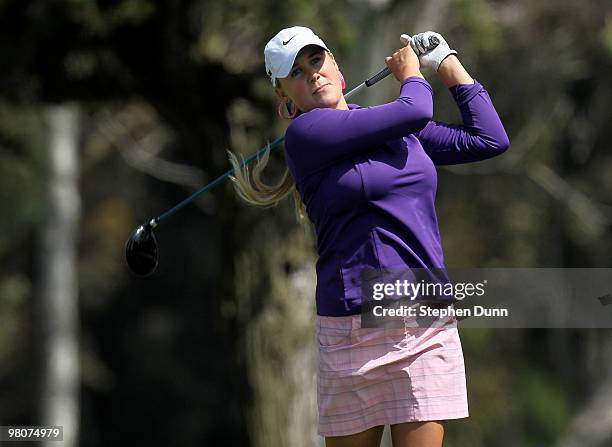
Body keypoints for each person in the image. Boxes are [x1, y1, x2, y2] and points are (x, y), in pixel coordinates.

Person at [229, 26, 509, 447]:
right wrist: (412, 73)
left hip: (424, 320)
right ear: (284, 97)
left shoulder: (390, 126)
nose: (312, 74)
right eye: (297, 72)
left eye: (316, 61)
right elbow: (414, 109)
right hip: (352, 325)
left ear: (338, 69)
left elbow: (489, 138)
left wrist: (447, 63)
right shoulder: (306, 137)